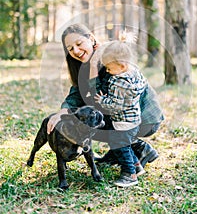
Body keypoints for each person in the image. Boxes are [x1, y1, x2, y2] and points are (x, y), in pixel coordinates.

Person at [47, 23, 164, 181]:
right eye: (70, 48)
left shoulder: (110, 59)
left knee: (92, 120)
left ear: (91, 38)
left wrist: (94, 69)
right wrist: (63, 111)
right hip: (129, 117)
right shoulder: (85, 65)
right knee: (88, 117)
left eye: (79, 43)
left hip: (144, 118)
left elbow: (102, 100)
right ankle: (120, 152)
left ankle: (136, 154)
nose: (75, 50)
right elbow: (77, 92)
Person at [94, 40, 147, 187]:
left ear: (122, 66)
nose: (108, 71)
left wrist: (102, 100)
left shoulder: (119, 83)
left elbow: (116, 106)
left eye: (109, 68)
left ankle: (130, 174)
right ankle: (137, 165)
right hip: (134, 119)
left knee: (119, 146)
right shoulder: (134, 74)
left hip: (123, 121)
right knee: (125, 145)